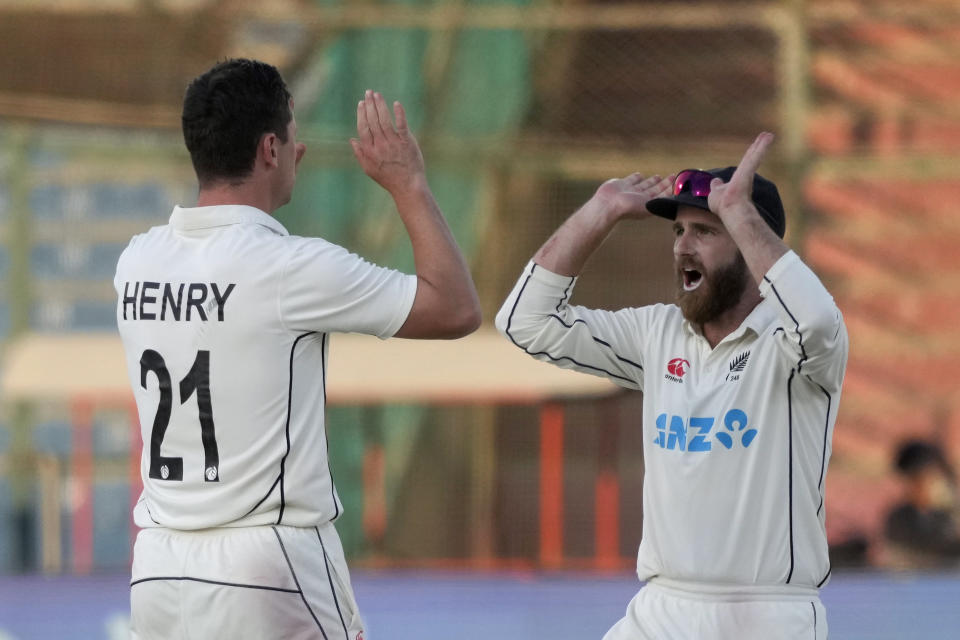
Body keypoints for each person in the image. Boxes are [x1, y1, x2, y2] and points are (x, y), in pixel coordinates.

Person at [115, 58, 480, 640]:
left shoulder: (135, 262)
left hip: (158, 569)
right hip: (270, 562)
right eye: (291, 133)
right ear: (269, 149)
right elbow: (456, 307)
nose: (298, 146)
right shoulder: (290, 267)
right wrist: (407, 183)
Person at [496, 133, 848, 639]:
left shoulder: (796, 346)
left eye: (706, 231)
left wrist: (742, 214)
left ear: (751, 244)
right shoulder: (657, 334)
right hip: (662, 610)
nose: (682, 244)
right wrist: (603, 210)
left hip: (766, 614)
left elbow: (818, 319)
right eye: (679, 230)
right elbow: (525, 322)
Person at [884, 439, 960, 568]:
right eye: (914, 479)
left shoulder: (950, 516)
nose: (919, 486)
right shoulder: (898, 519)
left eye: (926, 478)